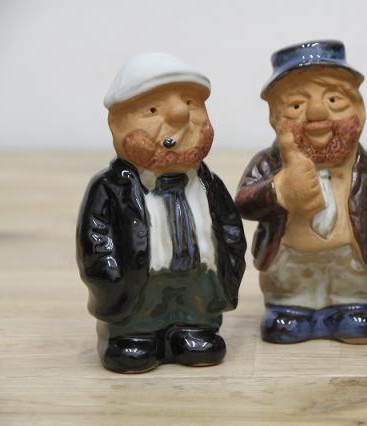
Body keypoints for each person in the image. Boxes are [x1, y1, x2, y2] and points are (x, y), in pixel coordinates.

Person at [76, 52, 246, 373]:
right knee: (137, 330)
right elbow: (96, 237)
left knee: (196, 311)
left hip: (199, 280)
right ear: (116, 124)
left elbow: (230, 228)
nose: (180, 115)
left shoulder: (209, 184)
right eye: (152, 110)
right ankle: (132, 336)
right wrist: (109, 277)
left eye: (191, 103)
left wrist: (231, 266)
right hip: (138, 282)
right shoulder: (110, 188)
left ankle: (194, 329)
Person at [235, 40, 367, 344]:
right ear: (275, 119)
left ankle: (356, 309)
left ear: (360, 110)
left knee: (355, 296)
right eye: (296, 105)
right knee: (289, 302)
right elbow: (244, 203)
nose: (316, 112)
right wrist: (280, 190)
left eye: (334, 100)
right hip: (291, 262)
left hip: (353, 260)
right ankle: (290, 310)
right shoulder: (270, 163)